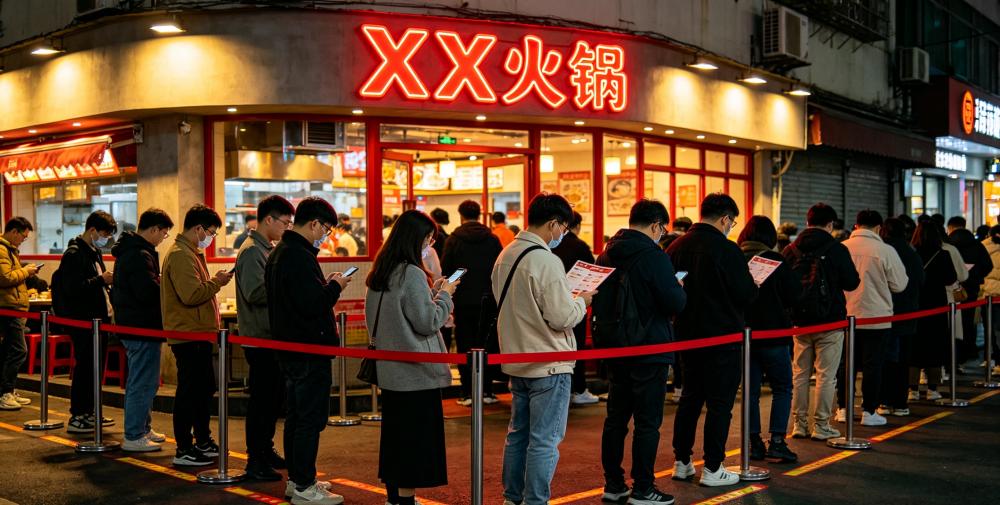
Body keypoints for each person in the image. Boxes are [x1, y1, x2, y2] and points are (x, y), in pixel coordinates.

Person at [494, 194, 594, 505]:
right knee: (544, 441)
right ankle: (536, 500)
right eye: (563, 227)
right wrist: (582, 302)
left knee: (518, 435)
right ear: (553, 224)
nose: (563, 233)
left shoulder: (506, 254)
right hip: (549, 362)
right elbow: (561, 317)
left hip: (517, 359)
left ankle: (512, 497)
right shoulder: (546, 260)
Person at [595, 199, 686, 505]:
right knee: (647, 422)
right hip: (650, 347)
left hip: (615, 347)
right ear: (657, 225)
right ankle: (643, 488)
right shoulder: (654, 256)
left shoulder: (606, 253)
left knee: (616, 419)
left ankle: (613, 484)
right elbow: (675, 302)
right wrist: (678, 287)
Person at [365, 210, 458, 505]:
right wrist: (446, 295)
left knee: (396, 439)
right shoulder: (412, 273)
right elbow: (428, 322)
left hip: (390, 371)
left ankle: (395, 497)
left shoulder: (381, 271)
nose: (429, 245)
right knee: (414, 443)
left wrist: (432, 293)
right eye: (428, 239)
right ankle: (405, 500)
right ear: (415, 238)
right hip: (416, 373)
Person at [666, 193, 756, 487]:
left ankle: (682, 462)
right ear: (726, 219)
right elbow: (745, 294)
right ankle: (713, 467)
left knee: (690, 400)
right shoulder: (727, 250)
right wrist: (754, 284)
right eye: (732, 222)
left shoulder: (676, 247)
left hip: (687, 337)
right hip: (723, 337)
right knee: (719, 404)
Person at [266, 197, 351, 505]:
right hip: (308, 349)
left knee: (296, 417)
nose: (325, 235)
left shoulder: (281, 252)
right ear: (314, 223)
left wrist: (325, 286)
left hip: (290, 347)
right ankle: (304, 485)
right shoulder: (298, 256)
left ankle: (298, 479)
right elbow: (313, 304)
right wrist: (336, 286)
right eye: (326, 229)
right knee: (309, 420)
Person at [161, 204, 233, 466]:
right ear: (199, 229)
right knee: (190, 392)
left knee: (204, 389)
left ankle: (202, 439)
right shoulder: (181, 255)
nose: (211, 238)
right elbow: (190, 295)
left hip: (199, 332)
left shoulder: (191, 253)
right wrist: (217, 282)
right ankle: (184, 448)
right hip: (187, 334)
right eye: (211, 232)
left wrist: (213, 283)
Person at [783, 203, 860, 441]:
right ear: (830, 225)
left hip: (799, 321)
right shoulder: (837, 249)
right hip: (830, 321)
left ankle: (799, 424)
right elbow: (852, 282)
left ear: (807, 222)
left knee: (800, 374)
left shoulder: (790, 249)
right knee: (826, 376)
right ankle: (821, 425)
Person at [236, 196, 295, 480]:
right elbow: (254, 292)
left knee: (272, 400)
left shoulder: (266, 249)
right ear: (268, 219)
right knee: (262, 401)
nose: (287, 228)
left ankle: (265, 449)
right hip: (259, 338)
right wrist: (286, 287)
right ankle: (255, 459)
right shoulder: (251, 251)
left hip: (269, 336)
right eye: (285, 222)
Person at [835, 210, 908, 427]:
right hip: (876, 317)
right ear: (878, 228)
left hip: (845, 316)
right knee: (872, 365)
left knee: (845, 364)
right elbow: (899, 285)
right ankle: (869, 411)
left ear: (856, 226)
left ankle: (843, 409)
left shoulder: (842, 247)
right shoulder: (885, 250)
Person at [737, 216, 801, 462]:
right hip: (774, 335)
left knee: (750, 391)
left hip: (744, 335)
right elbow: (794, 295)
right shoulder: (776, 260)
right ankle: (777, 441)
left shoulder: (735, 258)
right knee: (782, 387)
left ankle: (753, 442)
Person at [113, 209, 173, 452]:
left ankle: (143, 428)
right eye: (164, 233)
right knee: (142, 382)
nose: (163, 238)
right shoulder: (138, 255)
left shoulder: (134, 251)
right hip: (140, 327)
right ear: (154, 229)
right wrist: (165, 285)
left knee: (145, 381)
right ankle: (134, 434)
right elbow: (146, 292)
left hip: (136, 325)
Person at [55, 210, 118, 433]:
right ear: (92, 230)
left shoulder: (94, 252)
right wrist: (100, 279)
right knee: (85, 367)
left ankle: (91, 412)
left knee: (95, 368)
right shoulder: (74, 254)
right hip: (83, 321)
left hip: (99, 320)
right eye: (104, 234)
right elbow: (73, 288)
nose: (106, 239)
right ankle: (78, 415)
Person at [441, 200, 503, 406]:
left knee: (465, 344)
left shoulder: (454, 240)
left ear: (461, 215)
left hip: (463, 302)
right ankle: (487, 390)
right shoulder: (492, 239)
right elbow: (500, 269)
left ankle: (467, 391)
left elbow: (447, 271)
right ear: (480, 215)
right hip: (489, 301)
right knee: (487, 344)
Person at [877, 217, 923, 417]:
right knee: (903, 360)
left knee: (883, 359)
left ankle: (884, 401)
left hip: (882, 313)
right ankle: (900, 403)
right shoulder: (911, 252)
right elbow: (921, 280)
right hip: (907, 313)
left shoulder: (881, 250)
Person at [552, 211, 600, 406]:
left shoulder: (548, 245)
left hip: (552, 304)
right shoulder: (579, 246)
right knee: (576, 348)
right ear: (576, 226)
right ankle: (578, 389)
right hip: (575, 303)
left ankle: (561, 390)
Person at [909, 222, 959, 402]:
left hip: (915, 305)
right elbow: (951, 278)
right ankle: (932, 389)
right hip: (937, 305)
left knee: (914, 348)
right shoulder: (943, 254)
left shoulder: (911, 254)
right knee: (935, 347)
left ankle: (913, 389)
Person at [0, 217, 38, 411]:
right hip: (8, 308)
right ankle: (5, 392)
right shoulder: (2, 250)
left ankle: (7, 390)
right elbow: (4, 278)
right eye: (23, 236)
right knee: (18, 350)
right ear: (14, 231)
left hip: (14, 306)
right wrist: (26, 271)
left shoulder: (10, 250)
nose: (23, 240)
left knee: (8, 350)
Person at [946, 216, 992, 363]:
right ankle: (967, 352)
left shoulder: (948, 245)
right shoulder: (977, 244)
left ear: (950, 228)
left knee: (951, 322)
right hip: (971, 289)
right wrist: (975, 276)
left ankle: (953, 356)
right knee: (968, 320)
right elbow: (988, 265)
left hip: (951, 289)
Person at [981, 225, 1000, 375]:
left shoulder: (983, 247)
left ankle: (991, 358)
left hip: (988, 294)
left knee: (990, 328)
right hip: (995, 294)